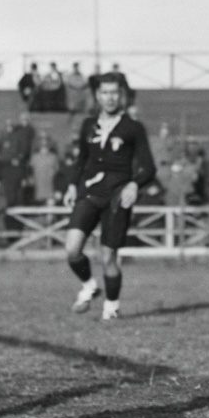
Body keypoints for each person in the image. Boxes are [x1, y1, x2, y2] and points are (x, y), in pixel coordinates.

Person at [63, 73, 155, 320]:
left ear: (121, 95)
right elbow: (81, 160)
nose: (110, 97)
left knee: (108, 257)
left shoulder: (133, 128)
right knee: (72, 249)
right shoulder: (88, 125)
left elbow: (149, 167)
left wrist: (134, 185)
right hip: (90, 192)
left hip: (117, 196)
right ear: (97, 95)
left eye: (114, 92)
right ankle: (90, 286)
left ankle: (111, 308)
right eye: (105, 92)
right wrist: (72, 185)